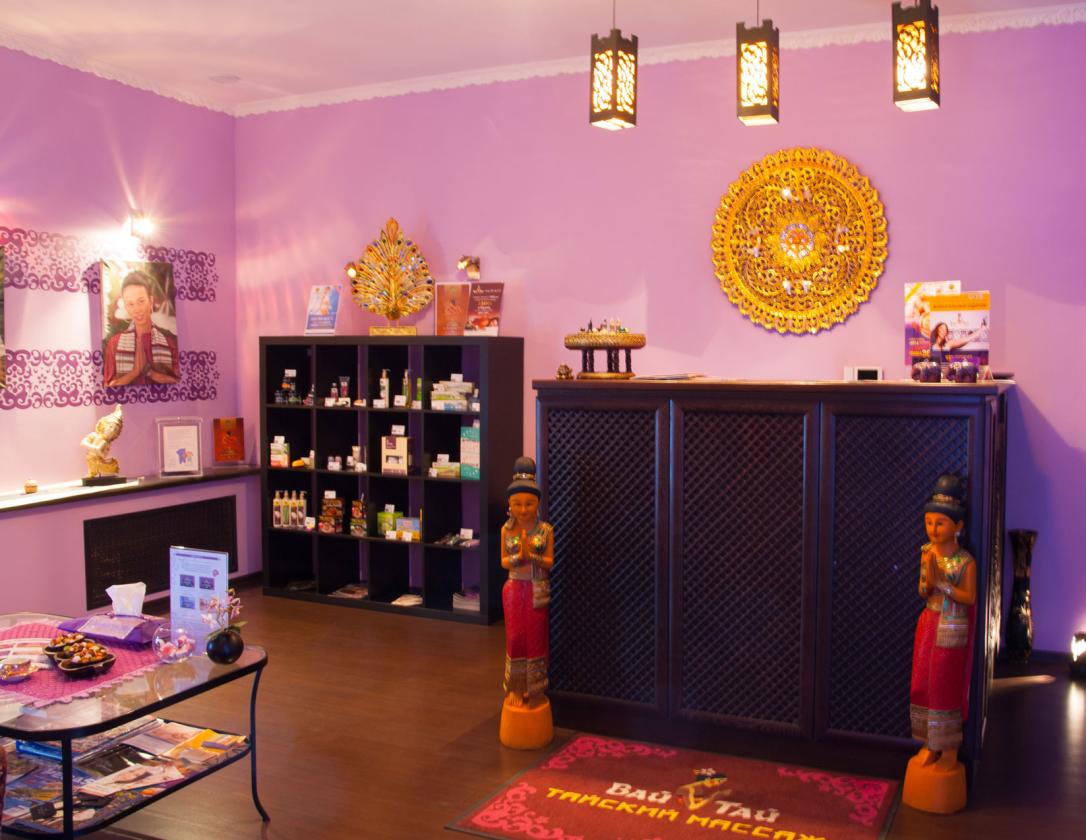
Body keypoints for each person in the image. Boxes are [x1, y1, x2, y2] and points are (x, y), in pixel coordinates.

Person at [909, 474, 976, 773]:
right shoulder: (927, 553)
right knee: (923, 682)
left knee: (945, 684)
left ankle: (948, 748)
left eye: (940, 523)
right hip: (929, 621)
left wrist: (943, 584)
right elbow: (923, 590)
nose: (933, 530)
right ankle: (929, 743)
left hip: (952, 625)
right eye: (929, 522)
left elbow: (969, 597)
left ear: (958, 526)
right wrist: (929, 582)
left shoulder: (965, 562)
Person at [501, 457, 553, 708]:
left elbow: (549, 562)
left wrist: (530, 556)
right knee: (514, 637)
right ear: (509, 505)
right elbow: (503, 561)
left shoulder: (546, 530)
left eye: (529, 503)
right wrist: (516, 557)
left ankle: (535, 688)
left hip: (536, 587)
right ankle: (516, 686)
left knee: (535, 637)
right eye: (517, 504)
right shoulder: (506, 529)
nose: (523, 510)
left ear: (538, 503)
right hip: (513, 588)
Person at [103, 270, 179, 386]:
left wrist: (151, 373)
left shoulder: (169, 342)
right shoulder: (114, 343)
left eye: (141, 301)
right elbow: (108, 385)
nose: (137, 309)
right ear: (126, 306)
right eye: (130, 304)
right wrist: (135, 372)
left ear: (151, 301)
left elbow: (178, 382)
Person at [81, 405, 124, 478]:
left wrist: (100, 453)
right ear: (104, 425)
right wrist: (94, 448)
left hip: (99, 461)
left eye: (115, 430)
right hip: (91, 459)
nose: (112, 431)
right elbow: (83, 443)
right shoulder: (94, 435)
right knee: (97, 467)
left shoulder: (106, 443)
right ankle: (93, 471)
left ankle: (98, 470)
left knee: (113, 465)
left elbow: (103, 455)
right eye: (110, 427)